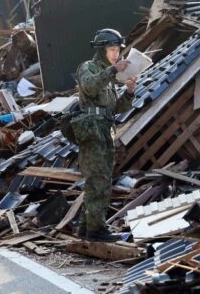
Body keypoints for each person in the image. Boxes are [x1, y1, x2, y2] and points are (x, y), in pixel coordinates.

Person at [71, 29, 137, 242]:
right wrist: (113, 70)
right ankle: (97, 230)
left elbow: (116, 107)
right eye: (112, 50)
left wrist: (129, 91)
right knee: (98, 181)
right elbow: (90, 87)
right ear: (101, 50)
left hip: (104, 130)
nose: (116, 54)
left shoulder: (108, 76)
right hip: (92, 132)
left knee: (99, 180)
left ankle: (86, 228)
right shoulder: (88, 68)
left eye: (118, 50)